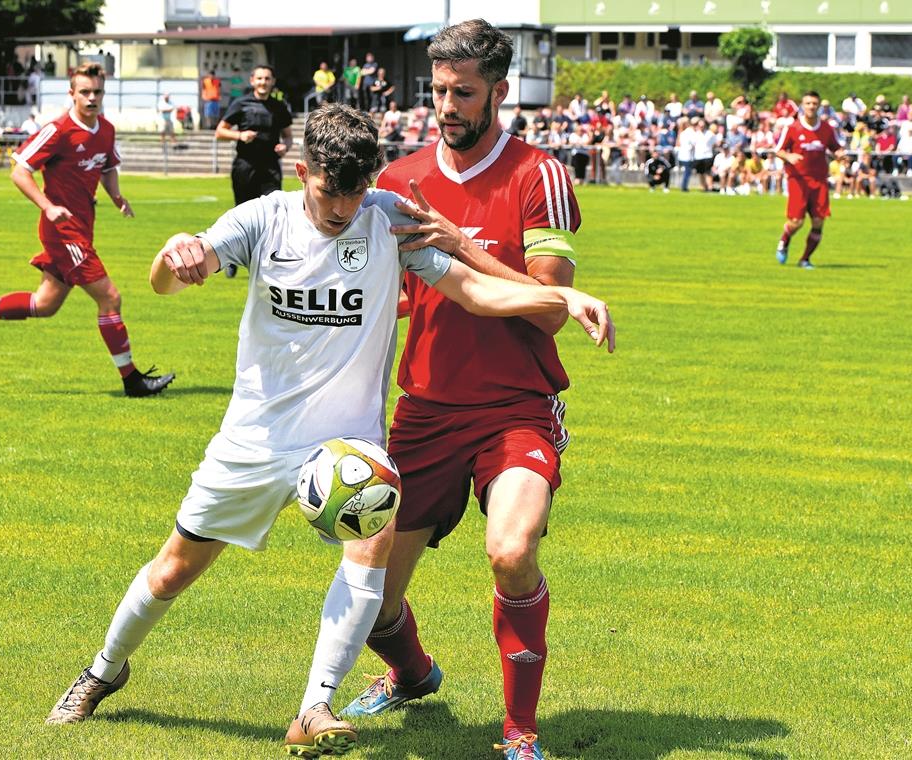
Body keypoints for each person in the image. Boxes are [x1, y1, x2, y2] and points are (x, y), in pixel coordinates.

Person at [42, 102, 613, 758]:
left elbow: (476, 294)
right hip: (256, 438)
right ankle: (103, 670)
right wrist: (176, 259)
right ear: (300, 169)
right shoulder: (262, 218)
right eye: (328, 190)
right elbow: (166, 282)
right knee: (174, 568)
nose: (342, 208)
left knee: (368, 547)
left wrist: (563, 298)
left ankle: (315, 704)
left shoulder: (388, 220)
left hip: (348, 445)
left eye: (355, 191)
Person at [337, 20, 604, 760]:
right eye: (439, 91)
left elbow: (550, 305)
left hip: (515, 406)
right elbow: (387, 290)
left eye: (463, 93)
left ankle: (519, 731)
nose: (447, 106)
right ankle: (414, 674)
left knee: (511, 550)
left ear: (499, 92)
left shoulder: (538, 174)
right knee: (373, 597)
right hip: (423, 408)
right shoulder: (398, 180)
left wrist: (463, 244)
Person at [0, 63, 174, 398]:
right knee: (110, 298)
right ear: (72, 94)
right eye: (85, 92)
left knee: (45, 304)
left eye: (97, 92)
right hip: (64, 233)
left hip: (82, 229)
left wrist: (118, 197)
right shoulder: (59, 130)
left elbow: (107, 167)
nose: (92, 98)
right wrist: (47, 206)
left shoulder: (106, 130)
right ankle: (132, 380)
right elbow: (19, 170)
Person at [216, 64, 293, 277]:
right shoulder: (241, 103)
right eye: (259, 78)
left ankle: (269, 260)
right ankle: (231, 258)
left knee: (274, 214)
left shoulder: (279, 107)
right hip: (245, 165)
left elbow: (288, 136)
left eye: (267, 79)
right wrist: (239, 136)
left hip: (270, 166)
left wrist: (285, 146)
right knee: (241, 213)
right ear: (252, 81)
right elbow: (220, 131)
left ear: (272, 82)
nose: (263, 82)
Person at [774, 90, 847, 269]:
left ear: (819, 106)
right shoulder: (793, 128)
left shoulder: (826, 128)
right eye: (808, 103)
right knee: (796, 222)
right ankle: (785, 239)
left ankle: (805, 259)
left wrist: (840, 154)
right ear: (802, 106)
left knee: (818, 221)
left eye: (814, 103)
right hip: (799, 180)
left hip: (819, 180)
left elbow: (835, 147)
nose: (811, 107)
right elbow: (779, 150)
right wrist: (789, 157)